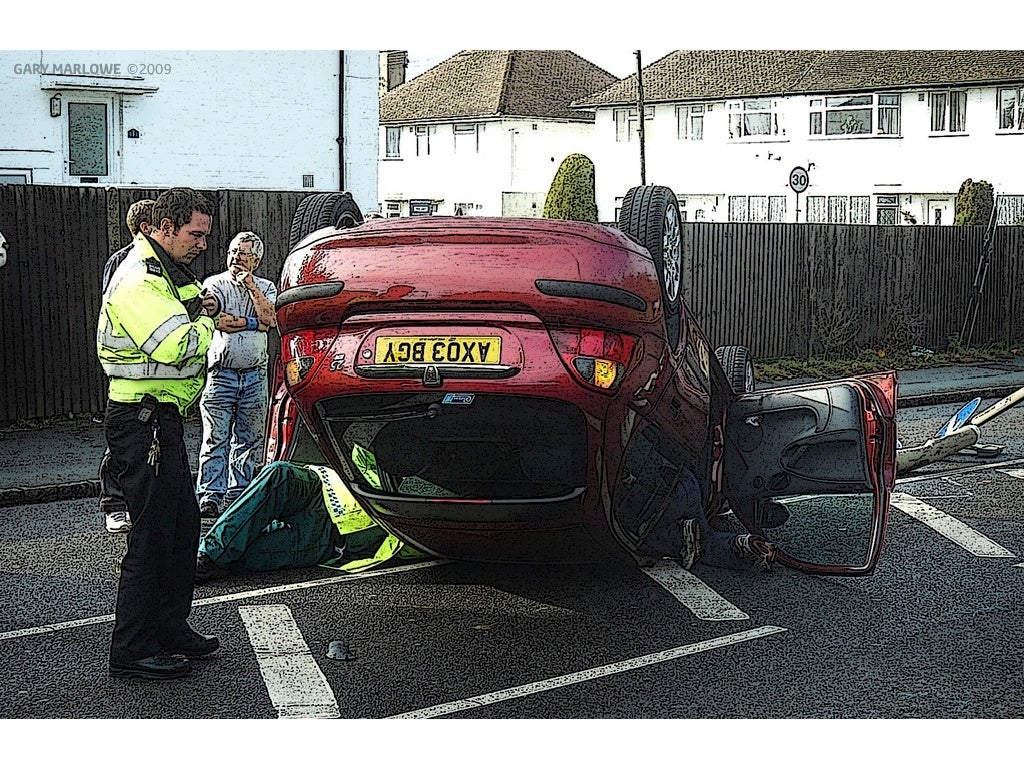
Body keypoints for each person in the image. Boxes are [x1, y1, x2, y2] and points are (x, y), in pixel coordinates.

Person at [97, 187, 221, 681]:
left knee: (182, 527)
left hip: (160, 420)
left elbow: (194, 297)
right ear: (163, 227)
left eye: (207, 235)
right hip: (140, 421)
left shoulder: (167, 270)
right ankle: (131, 648)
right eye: (195, 234)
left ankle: (170, 628)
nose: (202, 245)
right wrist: (211, 323)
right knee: (150, 536)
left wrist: (204, 302)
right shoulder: (139, 281)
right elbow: (177, 346)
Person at [196, 461, 419, 581]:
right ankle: (207, 554)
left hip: (330, 534)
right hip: (323, 485)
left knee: (241, 553)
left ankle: (199, 559)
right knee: (279, 473)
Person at [195, 231, 278, 519]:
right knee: (215, 436)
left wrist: (251, 289)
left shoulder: (266, 287)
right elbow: (216, 319)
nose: (235, 258)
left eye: (243, 254)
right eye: (232, 252)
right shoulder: (214, 284)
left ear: (256, 259)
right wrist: (254, 324)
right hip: (221, 373)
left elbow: (272, 319)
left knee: (249, 438)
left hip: (254, 375)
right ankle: (210, 494)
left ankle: (239, 492)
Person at [98, 198, 156, 534]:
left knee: (144, 440)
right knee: (122, 438)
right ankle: (114, 504)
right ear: (147, 227)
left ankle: (136, 504)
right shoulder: (124, 262)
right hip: (130, 367)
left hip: (154, 368)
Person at [638, 469, 777, 571]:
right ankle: (743, 544)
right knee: (706, 539)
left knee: (641, 538)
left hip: (649, 498)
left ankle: (681, 534)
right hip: (688, 480)